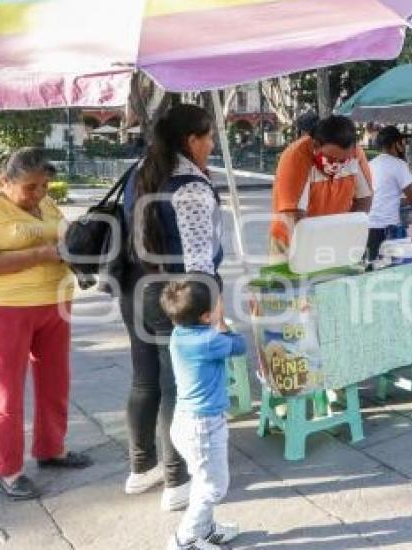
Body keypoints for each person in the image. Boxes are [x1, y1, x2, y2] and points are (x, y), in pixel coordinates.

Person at [0, 148, 91, 500]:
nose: (38, 194)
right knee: (5, 391)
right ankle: (8, 468)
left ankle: (52, 449)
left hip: (55, 304)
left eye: (45, 185)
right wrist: (40, 254)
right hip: (7, 308)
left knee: (56, 382)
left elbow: (63, 241)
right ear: (4, 181)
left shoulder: (48, 205)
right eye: (30, 186)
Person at [120, 104, 223, 511]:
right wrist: (212, 307)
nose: (213, 144)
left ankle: (141, 467)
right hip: (176, 295)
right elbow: (199, 262)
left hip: (136, 290)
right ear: (191, 140)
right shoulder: (189, 185)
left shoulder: (141, 171)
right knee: (176, 385)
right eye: (209, 136)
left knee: (145, 378)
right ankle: (177, 480)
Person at [161, 279, 245, 550]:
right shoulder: (209, 340)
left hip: (186, 422)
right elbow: (240, 345)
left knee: (203, 479)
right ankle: (184, 539)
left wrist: (214, 319)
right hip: (204, 426)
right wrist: (222, 323)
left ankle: (205, 530)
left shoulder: (178, 335)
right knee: (214, 486)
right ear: (206, 316)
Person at [269, 115, 372, 261]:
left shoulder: (355, 154)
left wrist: (346, 235)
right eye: (331, 159)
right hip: (291, 238)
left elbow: (364, 199)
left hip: (332, 238)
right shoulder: (296, 157)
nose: (338, 164)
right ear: (316, 146)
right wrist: (312, 251)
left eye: (343, 160)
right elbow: (296, 216)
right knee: (293, 282)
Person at [367, 126, 412, 261]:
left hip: (368, 226)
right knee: (388, 266)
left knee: (372, 265)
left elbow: (385, 197)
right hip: (386, 228)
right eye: (403, 142)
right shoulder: (398, 164)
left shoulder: (371, 164)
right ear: (396, 144)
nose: (404, 146)